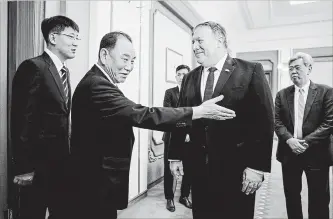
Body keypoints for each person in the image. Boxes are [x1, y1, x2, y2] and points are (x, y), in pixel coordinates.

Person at [68, 31, 236, 219]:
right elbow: (143, 114)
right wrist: (196, 112)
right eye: (125, 59)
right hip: (94, 180)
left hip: (97, 178)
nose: (129, 67)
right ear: (104, 55)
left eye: (133, 61)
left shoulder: (99, 81)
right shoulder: (96, 85)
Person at [168, 21, 274, 219]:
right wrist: (175, 155)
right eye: (192, 42)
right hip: (199, 168)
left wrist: (257, 167)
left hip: (237, 169)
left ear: (219, 41)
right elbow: (182, 117)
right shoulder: (190, 77)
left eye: (199, 40)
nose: (194, 47)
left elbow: (264, 121)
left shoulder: (250, 70)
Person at [10, 15, 80, 219]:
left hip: (61, 163)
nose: (76, 43)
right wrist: (24, 168)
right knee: (32, 213)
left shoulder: (63, 71)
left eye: (78, 38)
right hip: (38, 166)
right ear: (53, 37)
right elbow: (22, 120)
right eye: (71, 36)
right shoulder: (34, 67)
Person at [275, 52, 333, 219]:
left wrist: (304, 142)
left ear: (309, 69)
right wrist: (290, 140)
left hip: (317, 154)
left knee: (319, 198)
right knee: (292, 195)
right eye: (290, 69)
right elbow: (277, 121)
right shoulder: (282, 94)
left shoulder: (326, 92)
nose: (293, 71)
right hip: (289, 153)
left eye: (297, 68)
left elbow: (329, 123)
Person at [163, 64, 192, 212]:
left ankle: (184, 196)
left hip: (189, 139)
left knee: (189, 168)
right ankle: (169, 198)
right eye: (179, 74)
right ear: (176, 77)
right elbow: (169, 115)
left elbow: (194, 116)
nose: (182, 77)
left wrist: (188, 133)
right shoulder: (170, 93)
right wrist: (183, 131)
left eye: (185, 74)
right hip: (171, 137)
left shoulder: (194, 94)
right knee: (169, 170)